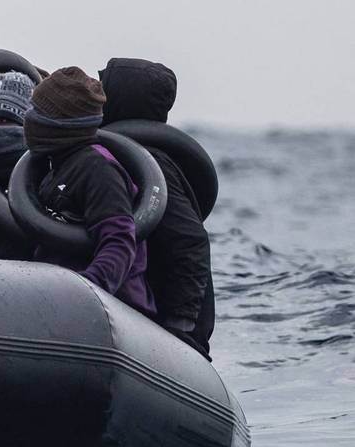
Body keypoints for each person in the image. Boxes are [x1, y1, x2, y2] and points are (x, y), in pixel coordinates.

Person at [101, 57, 215, 357]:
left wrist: (180, 327)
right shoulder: (119, 155)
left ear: (121, 98)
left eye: (104, 86)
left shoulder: (152, 164)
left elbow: (190, 242)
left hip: (171, 329)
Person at [25, 67, 155, 317]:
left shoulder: (98, 169)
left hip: (111, 309)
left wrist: (84, 292)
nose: (28, 118)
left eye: (36, 111)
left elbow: (119, 243)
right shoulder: (57, 164)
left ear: (57, 121)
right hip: (53, 290)